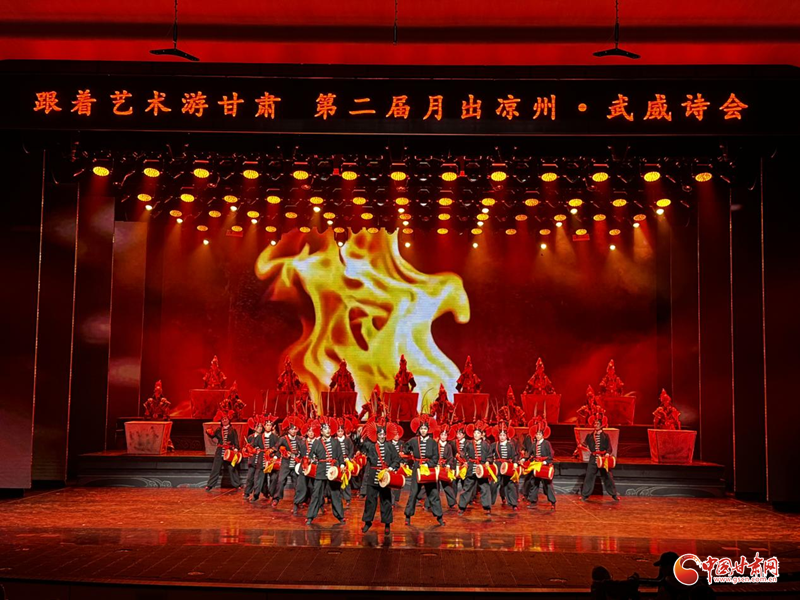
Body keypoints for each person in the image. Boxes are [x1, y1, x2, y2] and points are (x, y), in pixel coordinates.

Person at [360, 421, 401, 534]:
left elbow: (397, 459)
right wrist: (360, 437)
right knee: (370, 500)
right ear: (376, 435)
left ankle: (387, 524)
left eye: (383, 434)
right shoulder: (370, 445)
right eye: (380, 434)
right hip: (373, 476)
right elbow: (361, 447)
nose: (382, 436)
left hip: (385, 477)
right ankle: (367, 522)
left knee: (386, 500)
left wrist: (391, 468)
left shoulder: (390, 446)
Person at [404, 417, 445, 526]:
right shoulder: (414, 440)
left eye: (425, 429)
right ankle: (408, 516)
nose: (423, 431)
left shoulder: (432, 442)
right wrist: (409, 451)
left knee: (433, 493)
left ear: (428, 430)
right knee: (413, 493)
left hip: (428, 469)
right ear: (419, 429)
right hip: (417, 468)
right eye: (421, 428)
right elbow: (405, 448)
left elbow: (435, 457)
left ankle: (439, 517)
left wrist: (428, 464)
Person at [306, 418, 347, 525]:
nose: (328, 430)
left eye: (329, 428)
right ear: (321, 431)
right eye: (325, 429)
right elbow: (311, 456)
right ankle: (310, 516)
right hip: (321, 470)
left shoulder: (335, 442)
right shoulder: (316, 442)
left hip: (333, 470)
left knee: (336, 494)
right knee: (316, 494)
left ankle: (340, 516)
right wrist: (310, 461)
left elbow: (340, 455)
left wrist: (342, 464)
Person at [458, 420, 494, 515]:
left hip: (481, 469)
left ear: (481, 434)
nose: (476, 435)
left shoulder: (486, 444)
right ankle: (462, 507)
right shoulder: (468, 443)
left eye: (478, 433)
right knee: (467, 488)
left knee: (485, 488)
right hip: (471, 467)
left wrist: (487, 461)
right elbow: (463, 453)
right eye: (475, 433)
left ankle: (487, 507)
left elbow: (490, 456)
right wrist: (465, 461)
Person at [580, 418, 619, 502]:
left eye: (597, 424)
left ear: (601, 425)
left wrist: (607, 453)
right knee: (589, 476)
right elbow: (584, 445)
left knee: (608, 476)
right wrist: (582, 447)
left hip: (603, 458)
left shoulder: (605, 436)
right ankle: (584, 495)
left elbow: (609, 448)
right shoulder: (590, 436)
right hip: (593, 458)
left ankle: (614, 494)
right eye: (594, 424)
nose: (596, 425)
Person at [274, 416, 306, 514]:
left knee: (297, 483)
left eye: (295, 429)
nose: (293, 431)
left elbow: (303, 450)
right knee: (281, 480)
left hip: (296, 463)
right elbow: (277, 449)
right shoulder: (283, 439)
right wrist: (279, 454)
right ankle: (276, 498)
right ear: (288, 430)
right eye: (291, 429)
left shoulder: (299, 439)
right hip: (286, 463)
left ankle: (298, 501)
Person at [205, 410, 240, 491]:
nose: (224, 420)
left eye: (226, 419)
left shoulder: (232, 430)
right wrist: (209, 432)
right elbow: (213, 435)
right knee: (216, 468)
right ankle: (210, 485)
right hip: (220, 450)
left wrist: (236, 448)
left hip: (229, 451)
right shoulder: (219, 429)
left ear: (229, 420)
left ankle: (237, 484)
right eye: (223, 419)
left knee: (231, 467)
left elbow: (236, 441)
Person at [527, 423, 556, 509]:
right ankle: (532, 501)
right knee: (534, 483)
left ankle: (552, 502)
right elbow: (529, 455)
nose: (538, 436)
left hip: (544, 466)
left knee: (547, 484)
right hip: (536, 465)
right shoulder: (534, 444)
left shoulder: (546, 443)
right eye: (537, 434)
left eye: (539, 434)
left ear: (543, 435)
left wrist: (545, 462)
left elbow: (551, 455)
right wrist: (524, 459)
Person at [491, 425, 519, 510]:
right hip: (498, 466)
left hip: (508, 466)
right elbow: (489, 454)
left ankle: (514, 504)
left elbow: (515, 455)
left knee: (510, 485)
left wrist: (515, 463)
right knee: (494, 484)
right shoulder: (495, 445)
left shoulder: (511, 445)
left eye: (504, 435)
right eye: (500, 435)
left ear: (506, 436)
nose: (502, 437)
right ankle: (490, 503)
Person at [334, 418, 356, 505]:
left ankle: (347, 498)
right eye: (338, 431)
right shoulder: (335, 440)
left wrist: (349, 458)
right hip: (337, 462)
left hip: (346, 461)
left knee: (346, 479)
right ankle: (338, 497)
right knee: (337, 479)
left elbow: (352, 449)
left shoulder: (347, 440)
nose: (340, 433)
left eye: (341, 431)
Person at [243, 417, 266, 502]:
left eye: (261, 426)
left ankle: (257, 494)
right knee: (250, 477)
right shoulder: (250, 437)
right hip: (252, 459)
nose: (260, 428)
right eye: (258, 426)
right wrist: (247, 448)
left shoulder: (263, 437)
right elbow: (247, 447)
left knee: (258, 478)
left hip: (260, 458)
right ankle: (247, 492)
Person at [261, 414, 280, 502]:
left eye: (270, 425)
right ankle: (265, 492)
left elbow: (278, 447)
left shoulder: (275, 437)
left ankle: (272, 493)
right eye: (267, 425)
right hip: (263, 459)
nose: (268, 427)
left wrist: (274, 453)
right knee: (262, 477)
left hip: (272, 459)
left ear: (272, 427)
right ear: (264, 426)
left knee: (273, 477)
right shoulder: (260, 436)